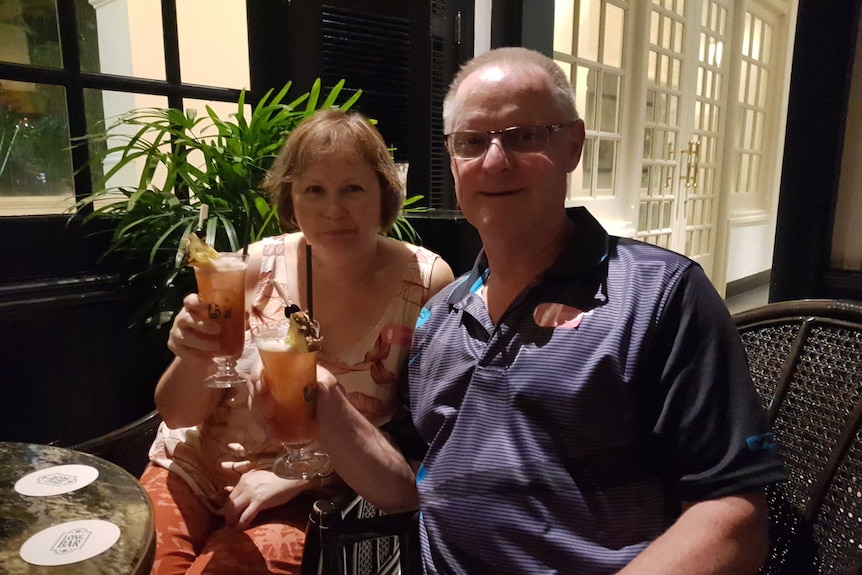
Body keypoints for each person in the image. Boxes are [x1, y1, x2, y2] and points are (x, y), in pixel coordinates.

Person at [402, 47, 786, 574]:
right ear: (452, 157)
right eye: (472, 141)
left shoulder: (662, 295)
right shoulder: (437, 316)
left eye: (524, 136)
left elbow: (732, 516)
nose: (494, 160)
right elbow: (417, 473)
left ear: (573, 145)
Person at [139, 108, 454, 575]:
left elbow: (417, 437)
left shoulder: (425, 282)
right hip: (189, 467)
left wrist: (300, 476)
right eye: (314, 190)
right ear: (292, 198)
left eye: (353, 188)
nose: (333, 210)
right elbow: (179, 414)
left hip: (299, 496)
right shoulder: (252, 266)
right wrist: (192, 355)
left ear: (385, 194)